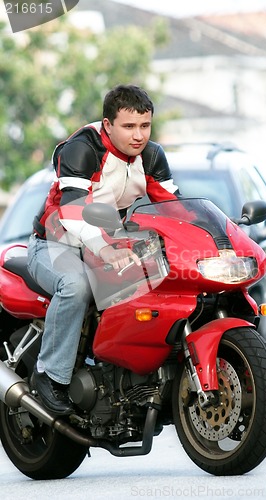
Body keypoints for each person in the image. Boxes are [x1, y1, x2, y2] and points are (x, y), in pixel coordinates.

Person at [27, 84, 180, 415]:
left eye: (144, 126)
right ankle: (48, 375)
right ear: (108, 124)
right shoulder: (83, 149)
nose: (138, 135)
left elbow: (175, 209)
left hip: (111, 242)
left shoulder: (151, 156)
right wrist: (106, 249)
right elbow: (71, 211)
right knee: (76, 285)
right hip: (55, 243)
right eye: (129, 126)